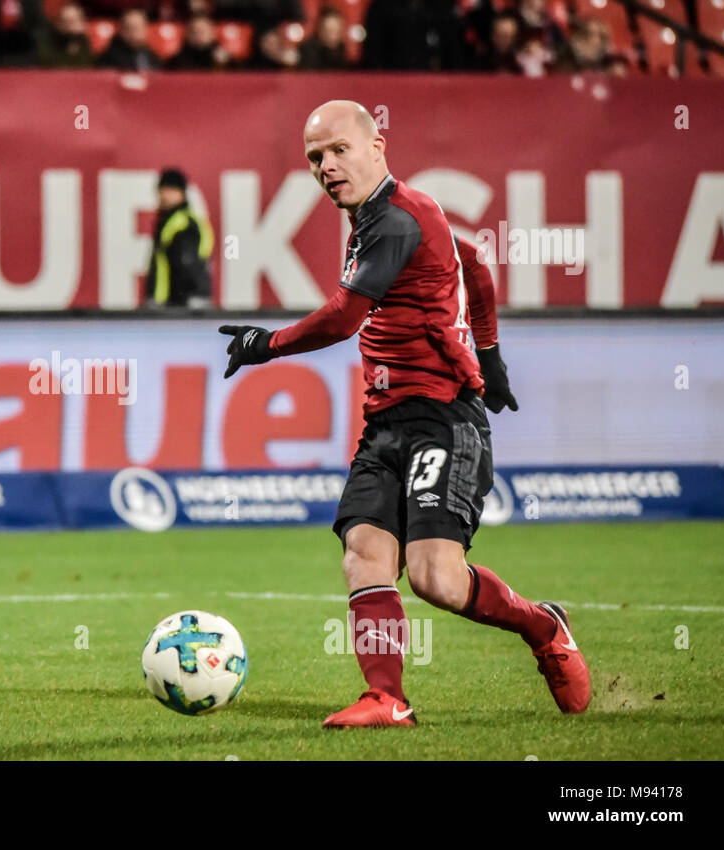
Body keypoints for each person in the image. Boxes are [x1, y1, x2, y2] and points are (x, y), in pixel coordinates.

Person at [217, 101, 590, 727]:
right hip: (385, 422)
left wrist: (266, 344)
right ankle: (387, 699)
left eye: (338, 150)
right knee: (363, 552)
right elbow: (475, 263)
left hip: (443, 418)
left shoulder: (393, 221)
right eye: (315, 158)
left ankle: (543, 625)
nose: (326, 167)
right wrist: (491, 353)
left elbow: (341, 318)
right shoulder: (396, 215)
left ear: (377, 146)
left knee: (435, 580)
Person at [144, 169, 214, 309]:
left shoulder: (183, 223)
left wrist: (184, 302)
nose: (165, 195)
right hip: (174, 302)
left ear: (182, 193)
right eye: (163, 190)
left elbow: (187, 265)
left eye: (171, 190)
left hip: (182, 305)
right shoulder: (170, 221)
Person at [97, 8, 159, 72]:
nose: (134, 33)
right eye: (130, 28)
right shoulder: (110, 57)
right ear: (121, 30)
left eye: (138, 28)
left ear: (146, 29)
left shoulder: (150, 55)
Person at [36, 1, 94, 69]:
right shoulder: (49, 42)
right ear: (58, 24)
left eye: (74, 21)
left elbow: (88, 67)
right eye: (66, 22)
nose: (71, 26)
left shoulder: (85, 42)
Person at [165, 14, 232, 71]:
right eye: (194, 31)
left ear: (212, 34)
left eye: (202, 31)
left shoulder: (224, 59)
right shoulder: (177, 61)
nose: (198, 35)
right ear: (188, 35)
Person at [298, 6, 349, 70]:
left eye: (336, 32)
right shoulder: (308, 51)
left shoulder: (343, 51)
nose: (332, 37)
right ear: (319, 30)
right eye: (329, 31)